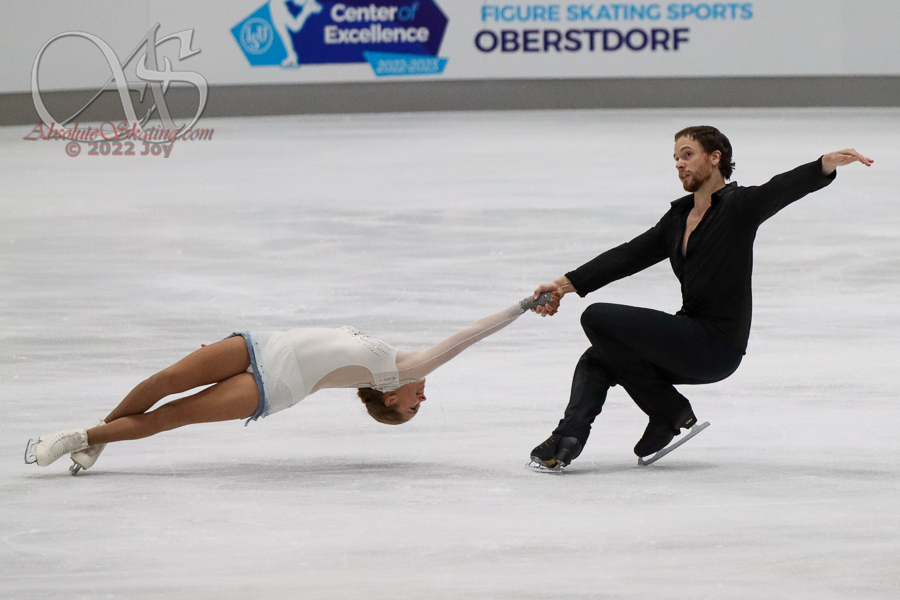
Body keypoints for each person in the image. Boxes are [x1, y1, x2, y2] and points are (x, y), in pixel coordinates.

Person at [528, 126, 873, 470]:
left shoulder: (739, 207)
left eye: (687, 155)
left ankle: (668, 409)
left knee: (597, 317)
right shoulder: (678, 219)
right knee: (598, 358)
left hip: (717, 347)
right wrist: (562, 286)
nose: (679, 163)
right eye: (676, 158)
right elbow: (627, 256)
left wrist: (823, 165)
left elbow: (779, 189)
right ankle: (568, 438)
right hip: (688, 335)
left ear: (715, 157)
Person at [25, 293, 552, 474]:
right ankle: (103, 433)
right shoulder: (395, 365)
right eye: (418, 405)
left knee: (172, 415)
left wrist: (523, 307)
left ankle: (78, 438)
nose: (423, 398)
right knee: (164, 380)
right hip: (262, 343)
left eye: (414, 408)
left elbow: (468, 336)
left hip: (276, 384)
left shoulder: (403, 370)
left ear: (391, 397)